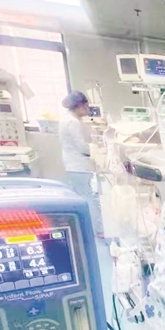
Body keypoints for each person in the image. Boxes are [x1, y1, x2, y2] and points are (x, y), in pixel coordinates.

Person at [60, 90, 104, 236]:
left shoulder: (66, 119)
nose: (87, 109)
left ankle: (88, 228)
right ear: (79, 106)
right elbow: (82, 147)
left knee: (82, 197)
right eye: (86, 106)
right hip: (79, 166)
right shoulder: (73, 122)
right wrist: (98, 150)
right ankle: (98, 229)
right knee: (88, 199)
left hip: (72, 165)